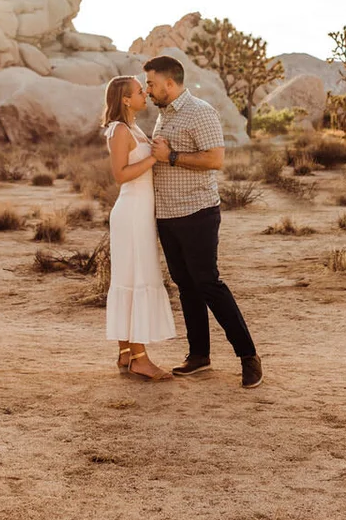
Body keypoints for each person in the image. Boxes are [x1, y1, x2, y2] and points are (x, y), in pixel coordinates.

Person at [144, 56, 263, 390]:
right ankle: (199, 356)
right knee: (185, 284)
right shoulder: (163, 114)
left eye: (151, 83)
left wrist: (171, 157)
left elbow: (215, 159)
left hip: (197, 212)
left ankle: (248, 356)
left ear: (170, 83)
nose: (147, 89)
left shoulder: (200, 112)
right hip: (167, 215)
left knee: (208, 282)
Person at [103, 74, 175, 381]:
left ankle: (126, 354)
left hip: (139, 212)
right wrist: (155, 160)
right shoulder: (120, 130)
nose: (145, 93)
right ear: (125, 99)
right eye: (138, 91)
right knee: (136, 280)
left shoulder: (132, 128)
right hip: (131, 212)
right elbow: (120, 174)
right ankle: (141, 360)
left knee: (129, 280)